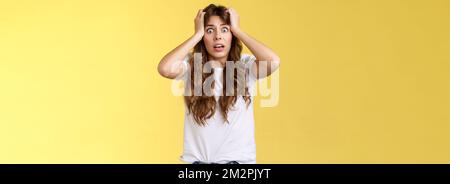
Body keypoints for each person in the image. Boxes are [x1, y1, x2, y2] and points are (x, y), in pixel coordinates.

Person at [157, 4, 280, 164]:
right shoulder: (191, 65)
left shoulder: (246, 65)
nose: (217, 37)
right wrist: (197, 34)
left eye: (224, 29)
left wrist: (238, 30)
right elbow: (164, 68)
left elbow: (273, 61)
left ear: (232, 35)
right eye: (209, 30)